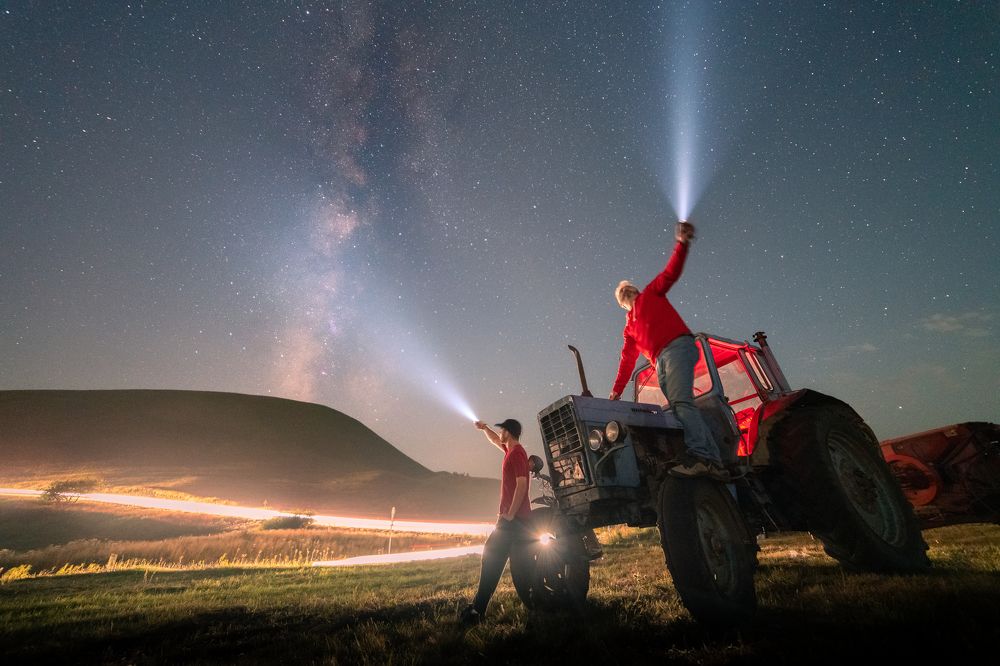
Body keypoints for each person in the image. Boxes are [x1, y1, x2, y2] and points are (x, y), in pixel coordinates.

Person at [609, 221, 727, 480]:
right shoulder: (629, 330)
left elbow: (670, 273)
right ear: (622, 304)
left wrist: (682, 243)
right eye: (623, 293)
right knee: (677, 405)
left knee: (681, 402)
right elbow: (626, 360)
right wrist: (616, 391)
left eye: (629, 288)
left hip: (677, 347)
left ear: (637, 290)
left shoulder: (651, 294)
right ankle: (716, 462)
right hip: (660, 363)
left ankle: (702, 456)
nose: (627, 291)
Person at [459, 418, 532, 626]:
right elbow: (494, 440)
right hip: (513, 520)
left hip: (513, 521)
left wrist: (509, 514)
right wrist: (485, 429)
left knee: (491, 557)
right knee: (494, 561)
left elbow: (522, 485)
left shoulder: (517, 453)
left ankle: (476, 611)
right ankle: (477, 610)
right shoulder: (510, 450)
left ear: (508, 432)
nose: (499, 433)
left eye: (501, 430)